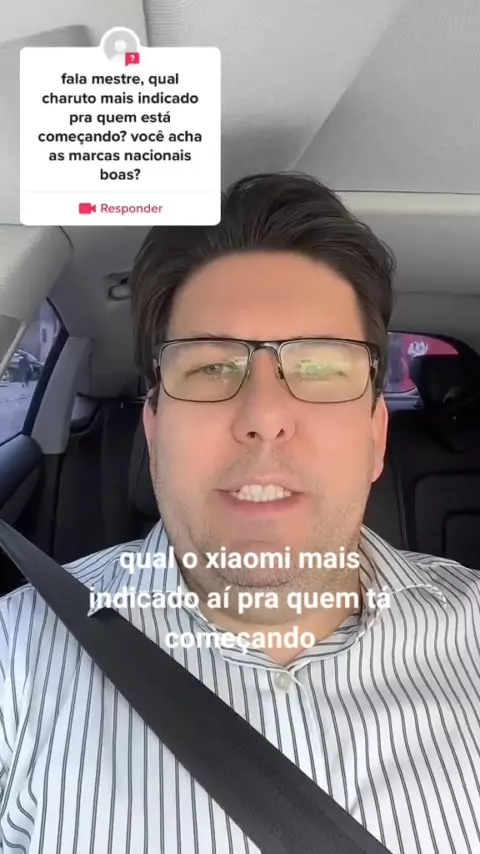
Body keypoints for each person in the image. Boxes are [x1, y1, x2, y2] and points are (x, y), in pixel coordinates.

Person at [0, 172, 479, 854]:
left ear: (376, 435)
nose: (264, 417)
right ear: (154, 432)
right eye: (210, 368)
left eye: (320, 369)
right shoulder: (17, 657)